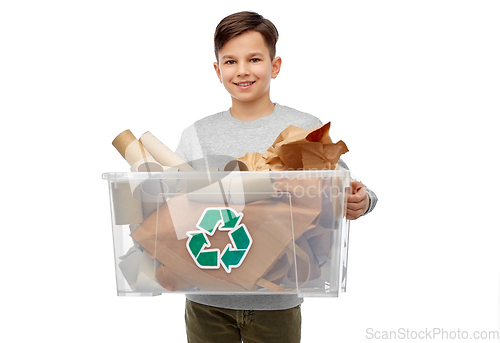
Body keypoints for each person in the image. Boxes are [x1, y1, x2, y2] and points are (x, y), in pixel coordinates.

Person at [174, 11, 378, 343]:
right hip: (207, 295)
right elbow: (172, 201)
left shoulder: (304, 128)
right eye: (230, 61)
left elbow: (342, 184)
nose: (242, 70)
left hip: (278, 297)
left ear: (275, 65)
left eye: (254, 59)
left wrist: (363, 199)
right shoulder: (197, 134)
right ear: (217, 70)